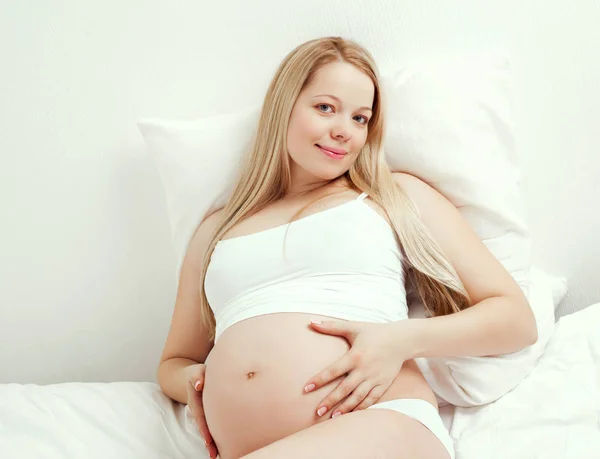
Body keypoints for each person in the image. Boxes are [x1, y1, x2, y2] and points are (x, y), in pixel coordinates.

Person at [156, 36, 538, 459]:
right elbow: (173, 362)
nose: (344, 130)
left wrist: (401, 340)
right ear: (283, 107)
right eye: (325, 107)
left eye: (360, 118)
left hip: (380, 424)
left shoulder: (391, 198)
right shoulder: (217, 230)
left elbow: (516, 320)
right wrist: (195, 381)